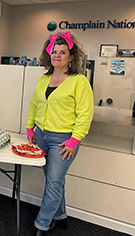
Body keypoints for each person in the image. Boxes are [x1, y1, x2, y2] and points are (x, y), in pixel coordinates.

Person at [25, 30, 93, 236]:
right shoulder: (43, 79)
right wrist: (30, 126)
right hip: (42, 136)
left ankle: (42, 225)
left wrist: (75, 139)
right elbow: (34, 104)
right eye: (54, 51)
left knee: (53, 182)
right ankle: (61, 216)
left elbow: (85, 113)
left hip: (63, 140)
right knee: (54, 180)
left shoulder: (79, 81)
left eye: (62, 52)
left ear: (71, 57)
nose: (57, 55)